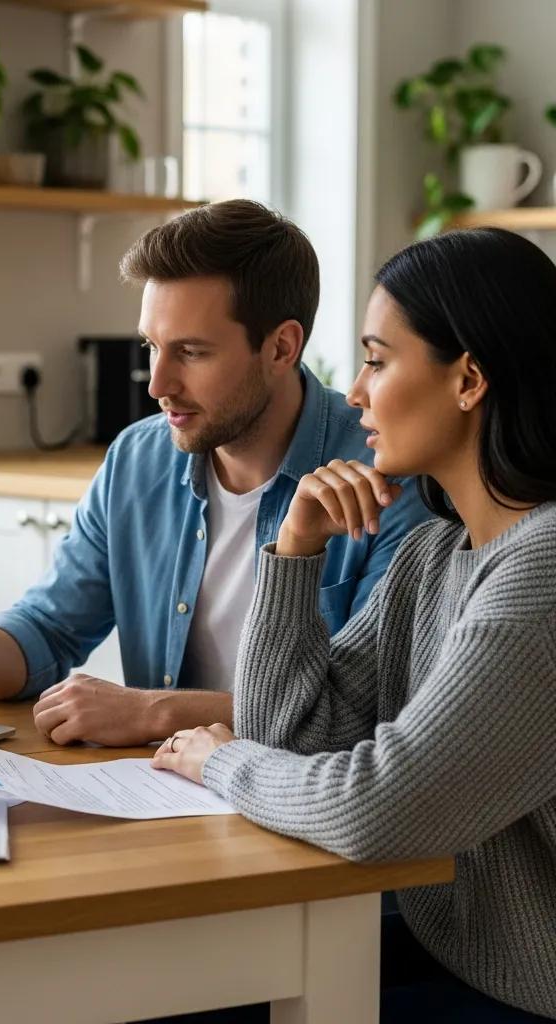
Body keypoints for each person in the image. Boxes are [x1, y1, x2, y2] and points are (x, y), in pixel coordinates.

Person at [0, 200, 430, 747]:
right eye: (150, 347)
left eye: (191, 352)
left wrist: (155, 712)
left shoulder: (388, 478)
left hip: (304, 810)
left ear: (280, 347)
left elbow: (365, 713)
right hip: (167, 798)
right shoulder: (140, 458)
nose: (158, 384)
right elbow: (49, 630)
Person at [154, 227, 556, 1021]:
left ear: (469, 378)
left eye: (377, 358)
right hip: (456, 953)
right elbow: (294, 735)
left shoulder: (540, 576)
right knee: (169, 987)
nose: (357, 393)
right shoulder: (437, 555)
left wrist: (221, 762)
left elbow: (377, 806)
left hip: (525, 990)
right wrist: (293, 550)